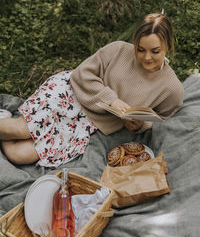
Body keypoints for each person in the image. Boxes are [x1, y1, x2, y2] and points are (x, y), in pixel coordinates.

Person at [0, 12, 183, 168]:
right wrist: (112, 99)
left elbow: (160, 119)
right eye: (140, 49)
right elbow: (81, 73)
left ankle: (4, 118)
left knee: (19, 155)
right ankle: (12, 123)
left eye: (155, 51)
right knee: (20, 130)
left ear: (168, 45)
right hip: (69, 93)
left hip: (86, 123)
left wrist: (139, 125)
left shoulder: (171, 88)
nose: (147, 57)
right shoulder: (118, 49)